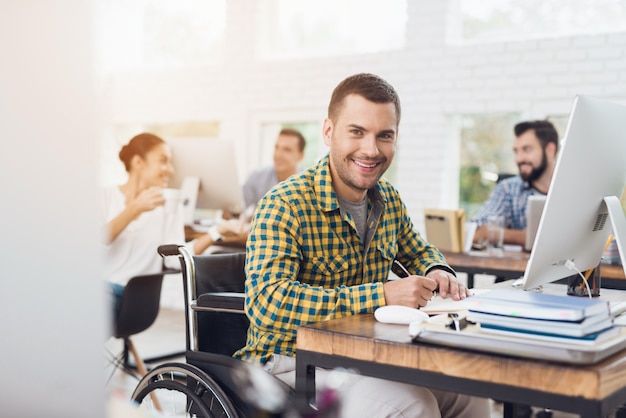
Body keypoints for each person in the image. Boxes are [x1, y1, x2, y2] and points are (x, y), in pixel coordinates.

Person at [233, 74, 489, 417]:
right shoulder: (284, 204)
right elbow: (269, 305)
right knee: (414, 404)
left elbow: (417, 250)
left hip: (361, 355)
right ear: (328, 132)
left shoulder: (388, 200)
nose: (371, 149)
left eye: (384, 135)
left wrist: (437, 269)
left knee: (470, 393)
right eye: (357, 132)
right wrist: (383, 294)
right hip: (288, 362)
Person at [103, 133, 247, 318]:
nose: (170, 170)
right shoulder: (105, 196)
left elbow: (175, 259)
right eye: (163, 161)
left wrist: (216, 231)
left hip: (131, 296)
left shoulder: (168, 205)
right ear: (138, 162)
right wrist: (133, 209)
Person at [472, 120, 559, 247]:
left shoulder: (574, 190)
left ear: (550, 150)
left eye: (527, 149)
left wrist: (506, 235)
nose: (518, 159)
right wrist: (529, 237)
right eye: (516, 151)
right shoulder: (508, 189)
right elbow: (479, 232)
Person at [242, 128, 306, 209]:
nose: (278, 155)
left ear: (301, 156)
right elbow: (238, 207)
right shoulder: (257, 177)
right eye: (277, 148)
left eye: (287, 150)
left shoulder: (308, 184)